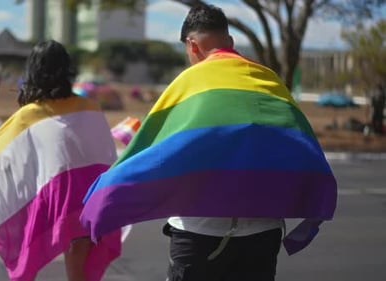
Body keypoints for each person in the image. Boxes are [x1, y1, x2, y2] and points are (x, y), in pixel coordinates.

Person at [80, 3, 336, 281]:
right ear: (230, 41)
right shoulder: (268, 80)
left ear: (192, 45)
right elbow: (298, 142)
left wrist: (105, 194)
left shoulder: (190, 81)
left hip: (199, 236)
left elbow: (154, 149)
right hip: (262, 235)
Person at [0, 40, 121, 281]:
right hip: (88, 197)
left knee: (28, 250)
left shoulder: (29, 114)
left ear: (33, 72)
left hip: (53, 197)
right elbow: (104, 152)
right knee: (79, 273)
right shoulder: (90, 107)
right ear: (67, 69)